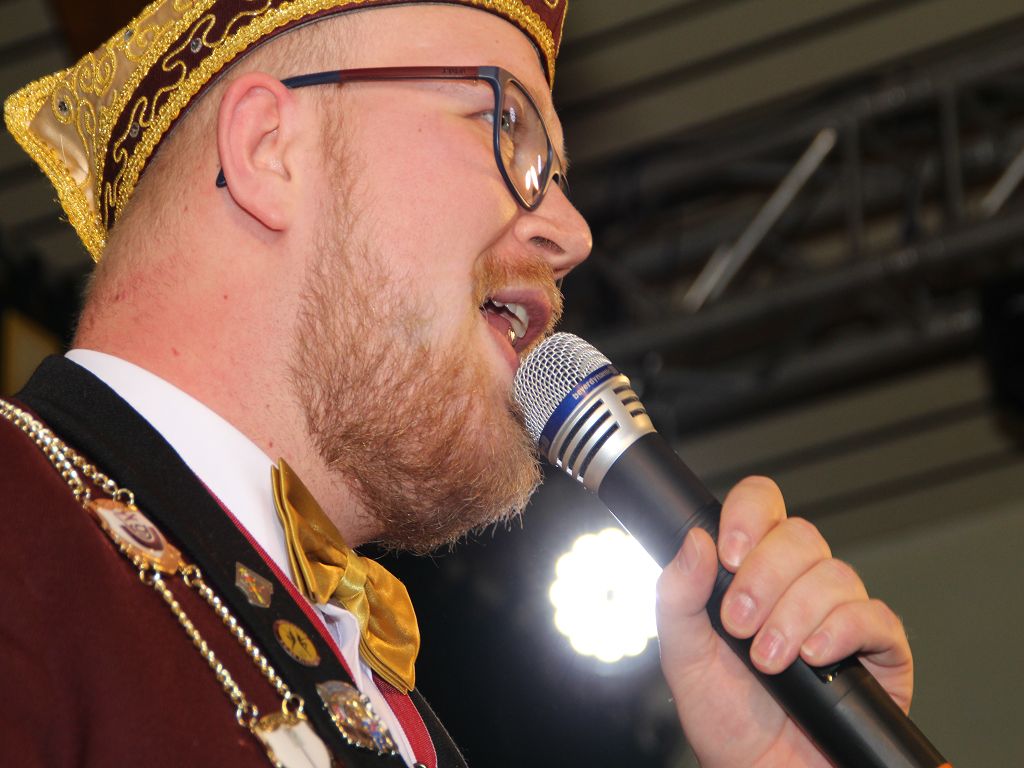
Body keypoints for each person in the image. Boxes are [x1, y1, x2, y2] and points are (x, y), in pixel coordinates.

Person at [0, 1, 914, 766]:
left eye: (555, 171)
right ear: (269, 149)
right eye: (504, 124)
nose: (572, 232)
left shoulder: (393, 713)